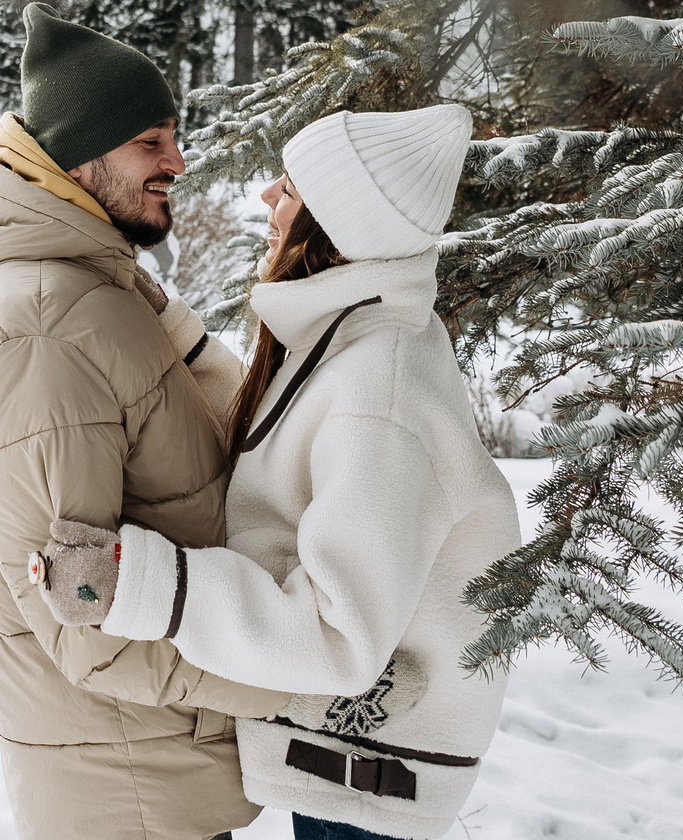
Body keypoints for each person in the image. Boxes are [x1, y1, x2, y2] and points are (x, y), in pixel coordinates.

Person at [30, 105, 518, 840]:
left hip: (365, 784)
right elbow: (286, 440)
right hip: (347, 762)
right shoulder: (361, 335)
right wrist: (178, 337)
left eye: (288, 189)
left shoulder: (378, 393)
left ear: (337, 225)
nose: (265, 198)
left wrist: (135, 582)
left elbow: (336, 633)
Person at [0, 3, 283, 840]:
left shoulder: (97, 292)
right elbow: (84, 616)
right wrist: (305, 679)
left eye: (174, 136)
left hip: (150, 766)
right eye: (150, 142)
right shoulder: (42, 328)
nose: (179, 162)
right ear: (81, 158)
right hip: (125, 788)